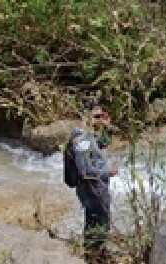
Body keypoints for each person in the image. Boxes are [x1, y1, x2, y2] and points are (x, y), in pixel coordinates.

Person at [70, 106, 118, 254]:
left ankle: (94, 253)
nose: (99, 119)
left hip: (96, 187)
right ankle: (94, 254)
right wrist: (107, 172)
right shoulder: (81, 139)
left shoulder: (89, 136)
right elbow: (85, 171)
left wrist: (107, 127)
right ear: (85, 117)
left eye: (101, 116)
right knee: (98, 223)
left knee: (96, 222)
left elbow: (101, 144)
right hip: (91, 189)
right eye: (96, 116)